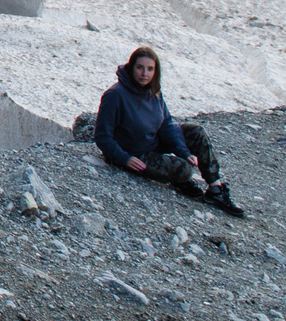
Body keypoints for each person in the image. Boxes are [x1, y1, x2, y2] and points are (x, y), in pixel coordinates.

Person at [94, 45, 245, 217]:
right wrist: (124, 158)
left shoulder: (154, 92)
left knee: (196, 132)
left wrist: (183, 151)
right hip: (136, 154)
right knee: (185, 170)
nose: (145, 74)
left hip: (153, 141)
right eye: (140, 68)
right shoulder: (115, 95)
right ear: (131, 68)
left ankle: (215, 189)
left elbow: (167, 125)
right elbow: (102, 136)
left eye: (150, 69)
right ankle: (180, 179)